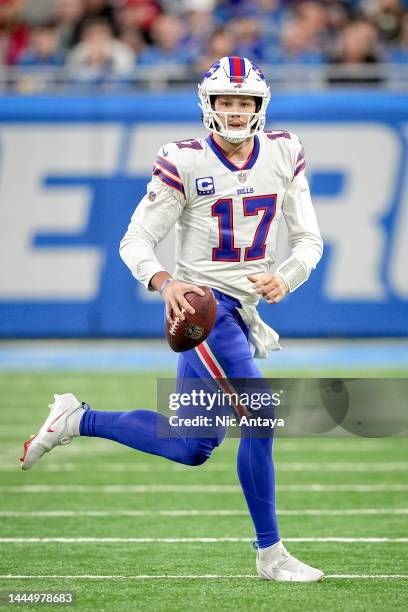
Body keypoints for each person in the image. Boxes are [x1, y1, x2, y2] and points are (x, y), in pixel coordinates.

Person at [20, 56, 324, 582]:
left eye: (244, 102)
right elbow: (135, 239)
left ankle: (77, 418)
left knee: (190, 446)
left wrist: (288, 275)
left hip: (243, 311)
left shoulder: (284, 150)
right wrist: (166, 283)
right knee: (259, 416)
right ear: (209, 106)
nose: (234, 112)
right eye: (225, 101)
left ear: (260, 106)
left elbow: (308, 240)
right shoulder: (183, 160)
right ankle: (270, 554)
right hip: (205, 309)